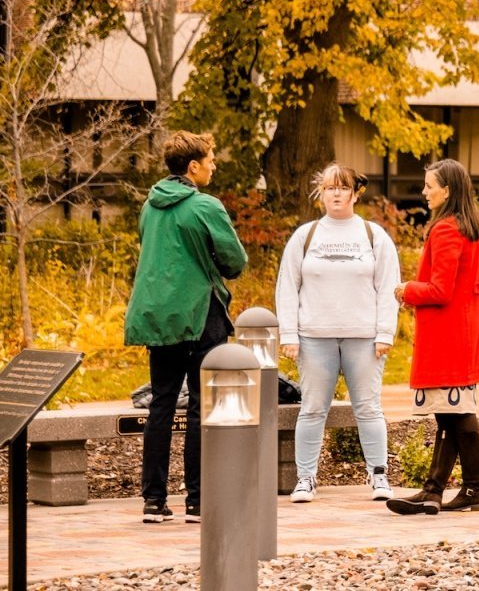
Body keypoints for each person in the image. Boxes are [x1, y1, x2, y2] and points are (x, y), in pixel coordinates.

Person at [122, 131, 248, 524]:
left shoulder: (150, 206)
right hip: (199, 315)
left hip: (158, 315)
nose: (215, 164)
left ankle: (153, 501)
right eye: (211, 159)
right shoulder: (206, 206)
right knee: (199, 406)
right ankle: (198, 500)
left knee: (161, 403)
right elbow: (234, 262)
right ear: (193, 166)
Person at [276, 164, 401, 503]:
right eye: (329, 188)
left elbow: (389, 287)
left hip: (364, 338)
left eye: (341, 188)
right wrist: (288, 334)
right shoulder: (306, 236)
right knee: (313, 408)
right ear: (321, 193)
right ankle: (306, 478)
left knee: (369, 407)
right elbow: (287, 286)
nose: (334, 194)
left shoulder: (374, 236)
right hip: (314, 338)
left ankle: (378, 475)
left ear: (355, 193)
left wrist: (385, 334)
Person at [386, 159, 479, 515]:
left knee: (457, 413)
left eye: (430, 186)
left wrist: (406, 289)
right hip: (464, 331)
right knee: (450, 413)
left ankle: (473, 489)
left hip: (447, 335)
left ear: (447, 190)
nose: (424, 192)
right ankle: (435, 491)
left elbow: (440, 289)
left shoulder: (446, 229)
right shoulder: (471, 227)